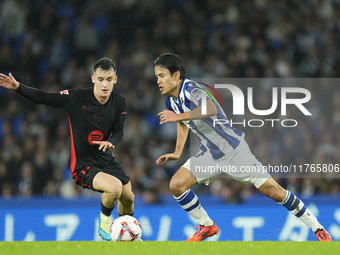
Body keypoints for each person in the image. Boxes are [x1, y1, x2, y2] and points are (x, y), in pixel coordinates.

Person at [154, 53, 332, 242]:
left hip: (234, 152)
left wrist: (176, 117)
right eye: (157, 76)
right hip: (209, 155)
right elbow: (184, 122)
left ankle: (318, 229)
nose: (158, 81)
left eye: (162, 75)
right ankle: (207, 226)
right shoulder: (171, 101)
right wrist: (177, 151)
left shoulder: (192, 89)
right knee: (176, 184)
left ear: (176, 75)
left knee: (274, 192)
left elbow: (210, 109)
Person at [0, 58, 134, 241]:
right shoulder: (76, 98)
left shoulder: (119, 102)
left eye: (109, 79)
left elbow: (119, 131)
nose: (105, 84)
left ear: (115, 80)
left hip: (106, 159)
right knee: (115, 188)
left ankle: (127, 236)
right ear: (93, 78)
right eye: (101, 79)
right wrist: (17, 86)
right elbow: (43, 97)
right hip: (83, 165)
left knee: (128, 197)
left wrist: (112, 141)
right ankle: (105, 220)